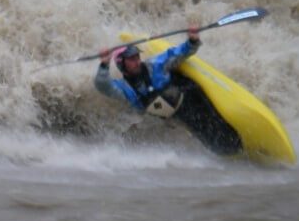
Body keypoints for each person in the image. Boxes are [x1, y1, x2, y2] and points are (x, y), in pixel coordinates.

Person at [94, 27, 243, 155]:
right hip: (180, 116)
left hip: (192, 97)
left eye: (136, 57)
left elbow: (178, 53)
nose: (137, 61)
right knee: (217, 144)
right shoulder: (124, 89)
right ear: (121, 64)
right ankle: (233, 151)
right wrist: (104, 65)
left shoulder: (155, 66)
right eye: (131, 59)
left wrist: (192, 41)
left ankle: (237, 132)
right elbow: (103, 85)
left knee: (211, 119)